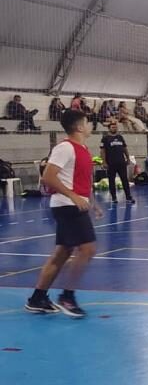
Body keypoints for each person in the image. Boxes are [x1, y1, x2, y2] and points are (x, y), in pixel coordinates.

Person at [25, 109, 103, 317]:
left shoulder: (83, 149)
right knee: (87, 249)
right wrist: (73, 196)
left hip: (74, 203)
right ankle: (67, 296)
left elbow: (82, 180)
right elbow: (48, 177)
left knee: (62, 253)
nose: (90, 125)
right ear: (79, 127)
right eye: (87, 122)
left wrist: (92, 202)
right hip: (67, 205)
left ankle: (37, 298)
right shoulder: (65, 148)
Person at [100, 121, 135, 204]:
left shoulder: (120, 137)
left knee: (125, 180)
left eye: (115, 127)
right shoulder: (105, 138)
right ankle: (114, 197)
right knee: (111, 180)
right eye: (112, 127)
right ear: (109, 128)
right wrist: (104, 162)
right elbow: (102, 151)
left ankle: (128, 197)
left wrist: (128, 158)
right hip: (111, 163)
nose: (114, 128)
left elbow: (125, 148)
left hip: (121, 163)